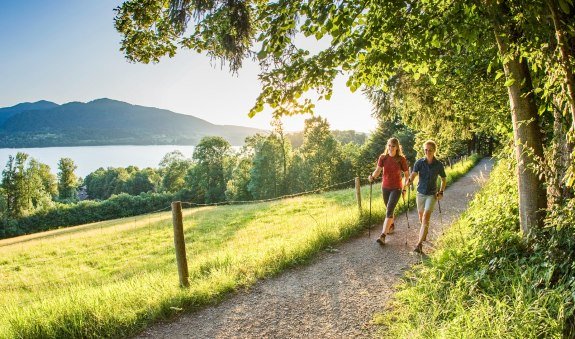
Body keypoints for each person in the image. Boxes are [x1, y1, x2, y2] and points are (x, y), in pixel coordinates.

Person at [368, 137, 410, 245]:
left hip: (396, 188)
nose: (391, 148)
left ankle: (383, 235)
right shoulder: (383, 157)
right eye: (389, 146)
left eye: (393, 146)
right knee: (389, 209)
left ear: (397, 147)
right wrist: (372, 177)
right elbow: (378, 171)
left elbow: (406, 175)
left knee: (389, 210)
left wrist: (405, 188)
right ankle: (391, 224)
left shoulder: (401, 159)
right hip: (385, 187)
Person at [407, 140, 446, 253]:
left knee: (425, 217)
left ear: (434, 151)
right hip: (420, 193)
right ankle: (424, 231)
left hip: (432, 194)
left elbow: (443, 180)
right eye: (426, 150)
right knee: (421, 217)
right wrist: (409, 180)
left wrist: (441, 191)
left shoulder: (438, 165)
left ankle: (419, 244)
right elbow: (413, 174)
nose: (427, 152)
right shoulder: (419, 162)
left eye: (430, 150)